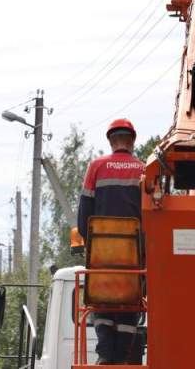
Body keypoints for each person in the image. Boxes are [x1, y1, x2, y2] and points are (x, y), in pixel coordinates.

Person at [77, 118, 146, 365]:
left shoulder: (95, 167)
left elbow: (84, 214)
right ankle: (122, 357)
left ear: (110, 140)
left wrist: (92, 244)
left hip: (101, 257)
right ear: (133, 141)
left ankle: (105, 355)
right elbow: (151, 218)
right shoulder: (144, 170)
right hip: (135, 259)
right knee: (131, 304)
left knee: (102, 303)